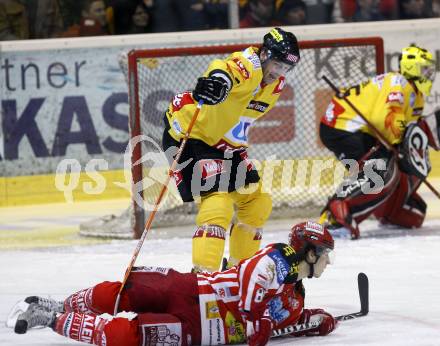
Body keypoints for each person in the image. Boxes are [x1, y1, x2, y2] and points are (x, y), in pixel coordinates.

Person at [13, 221, 337, 346]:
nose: (327, 262)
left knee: (128, 337)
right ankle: (62, 304)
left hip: (196, 330)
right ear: (309, 253)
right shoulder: (277, 259)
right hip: (191, 288)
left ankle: (53, 319)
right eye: (324, 254)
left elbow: (287, 324)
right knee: (124, 293)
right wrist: (257, 319)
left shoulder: (295, 301)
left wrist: (316, 321)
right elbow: (256, 276)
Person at [162, 27, 300, 273]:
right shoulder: (249, 64)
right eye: (277, 64)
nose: (279, 73)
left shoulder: (275, 85)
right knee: (218, 203)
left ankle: (240, 273)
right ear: (265, 54)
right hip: (191, 134)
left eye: (286, 68)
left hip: (224, 144)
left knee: (258, 202)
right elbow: (225, 69)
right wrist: (218, 82)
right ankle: (204, 278)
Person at [319, 45, 439, 239]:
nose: (429, 75)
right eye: (424, 69)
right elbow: (385, 117)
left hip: (358, 130)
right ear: (411, 68)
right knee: (378, 169)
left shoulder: (415, 95)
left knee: (387, 167)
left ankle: (391, 210)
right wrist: (399, 143)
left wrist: (404, 147)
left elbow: (407, 132)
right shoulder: (398, 81)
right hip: (341, 125)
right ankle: (334, 215)